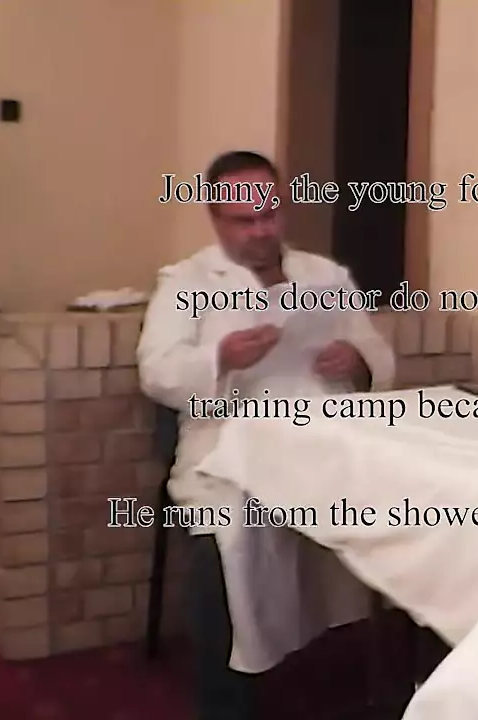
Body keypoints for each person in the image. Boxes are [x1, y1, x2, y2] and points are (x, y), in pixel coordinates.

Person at [137, 150, 395, 720]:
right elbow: (156, 372)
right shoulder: (187, 283)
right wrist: (219, 358)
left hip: (324, 443)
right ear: (215, 218)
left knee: (410, 511)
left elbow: (378, 354)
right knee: (226, 541)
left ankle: (392, 684)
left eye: (270, 214)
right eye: (244, 220)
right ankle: (224, 703)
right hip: (230, 451)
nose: (261, 230)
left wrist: (357, 361)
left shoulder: (325, 277)